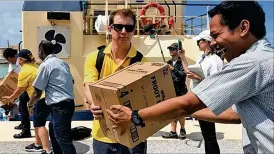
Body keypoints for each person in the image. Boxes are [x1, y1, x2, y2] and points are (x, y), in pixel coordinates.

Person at [106, 1, 274, 154]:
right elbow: (234, 114)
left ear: (243, 28)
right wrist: (176, 113)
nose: (212, 42)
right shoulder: (264, 57)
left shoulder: (251, 63)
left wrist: (135, 116)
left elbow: (187, 104)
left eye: (216, 35)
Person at [84, 9, 148, 154]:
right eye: (119, 27)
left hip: (134, 135)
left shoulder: (142, 62)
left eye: (129, 27)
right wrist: (92, 103)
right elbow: (88, 85)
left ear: (134, 31)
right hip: (103, 135)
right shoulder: (95, 58)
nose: (124, 31)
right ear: (110, 28)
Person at [28, 40, 76, 154]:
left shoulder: (45, 65)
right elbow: (72, 81)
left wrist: (30, 105)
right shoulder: (62, 63)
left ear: (41, 51)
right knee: (54, 134)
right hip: (68, 104)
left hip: (60, 106)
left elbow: (37, 92)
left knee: (63, 139)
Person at [188, 30, 223, 154]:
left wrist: (198, 78)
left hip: (207, 101)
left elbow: (217, 82)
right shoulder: (201, 58)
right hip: (199, 99)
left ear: (207, 42)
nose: (198, 44)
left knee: (210, 137)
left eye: (199, 41)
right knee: (206, 135)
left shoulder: (215, 60)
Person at [162, 43, 188, 140]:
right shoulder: (168, 62)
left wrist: (173, 70)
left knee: (180, 111)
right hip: (171, 89)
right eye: (170, 49)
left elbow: (184, 75)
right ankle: (173, 131)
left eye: (173, 49)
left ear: (178, 50)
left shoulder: (182, 62)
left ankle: (182, 129)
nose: (171, 51)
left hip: (180, 90)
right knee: (172, 111)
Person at [3, 48, 30, 137]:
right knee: (22, 107)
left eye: (7, 59)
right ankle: (23, 124)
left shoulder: (21, 62)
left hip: (27, 86)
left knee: (23, 107)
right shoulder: (11, 64)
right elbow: (9, 76)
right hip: (20, 87)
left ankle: (26, 130)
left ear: (11, 57)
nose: (8, 61)